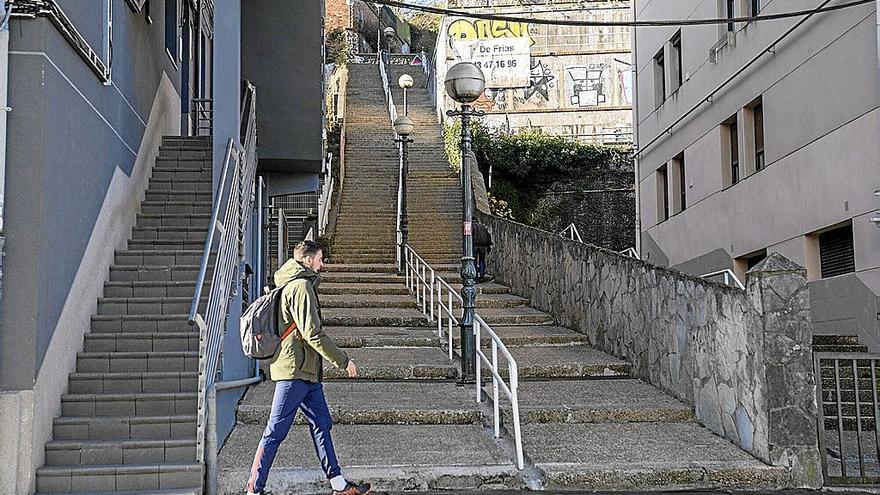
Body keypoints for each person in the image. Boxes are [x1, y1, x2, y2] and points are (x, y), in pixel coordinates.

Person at [246, 241, 371, 495]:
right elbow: (313, 333)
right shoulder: (301, 286)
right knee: (275, 431)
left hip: (307, 370)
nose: (322, 264)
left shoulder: (297, 283)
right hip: (294, 371)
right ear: (308, 260)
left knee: (321, 422)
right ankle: (253, 490)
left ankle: (338, 484)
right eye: (320, 259)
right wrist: (343, 360)